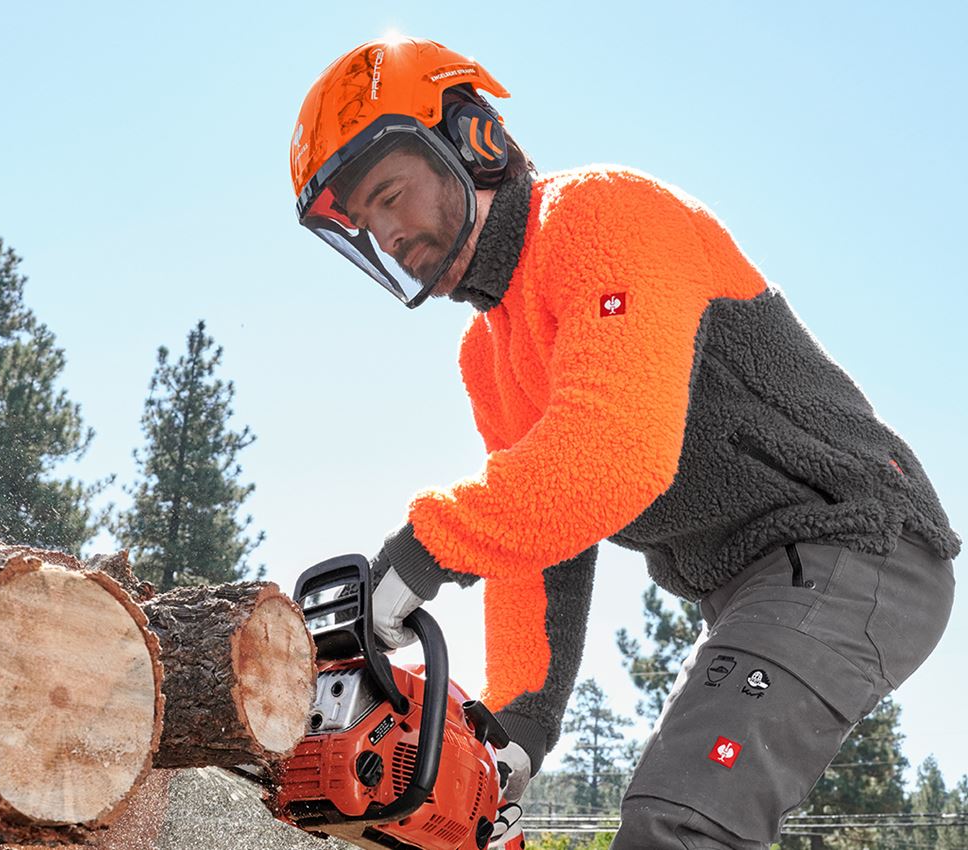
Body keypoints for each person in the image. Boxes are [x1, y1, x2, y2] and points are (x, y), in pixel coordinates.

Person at [289, 36, 959, 849]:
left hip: (857, 544)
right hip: (759, 582)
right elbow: (542, 541)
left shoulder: (604, 219)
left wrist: (426, 549)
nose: (388, 233)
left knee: (680, 821)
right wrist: (520, 722)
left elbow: (616, 449)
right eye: (367, 222)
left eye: (391, 196)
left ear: (472, 140)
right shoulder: (488, 352)